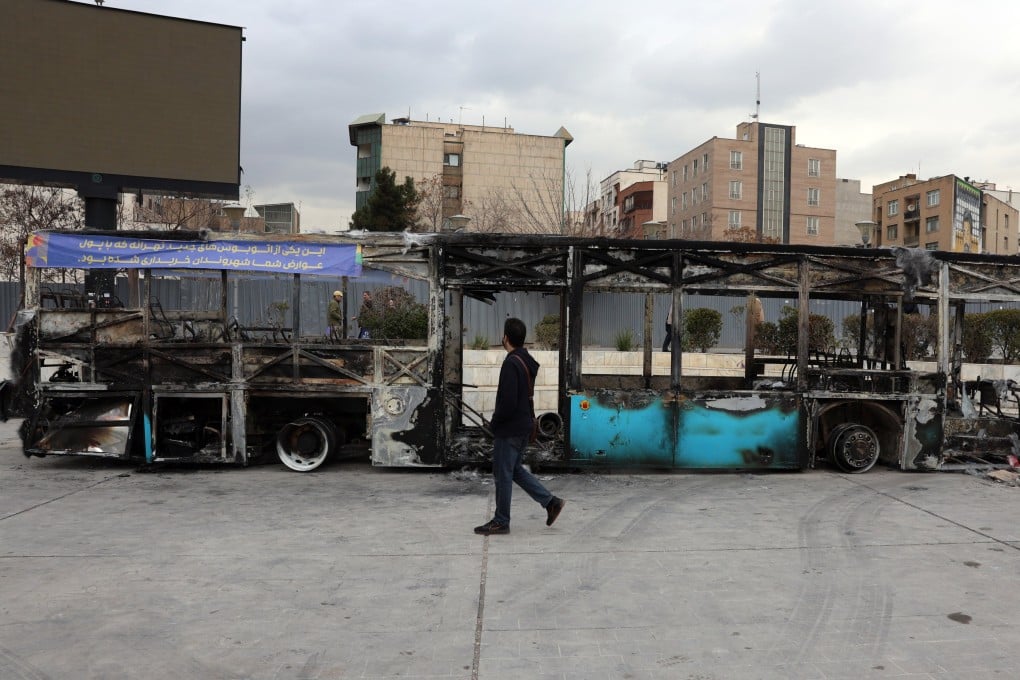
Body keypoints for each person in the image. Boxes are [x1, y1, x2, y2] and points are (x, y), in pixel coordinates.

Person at [475, 317, 565, 536]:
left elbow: (507, 402)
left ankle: (501, 521)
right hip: (524, 425)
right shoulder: (526, 360)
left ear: (505, 337)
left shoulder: (511, 363)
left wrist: (494, 425)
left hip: (510, 428)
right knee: (514, 470)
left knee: (502, 474)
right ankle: (551, 502)